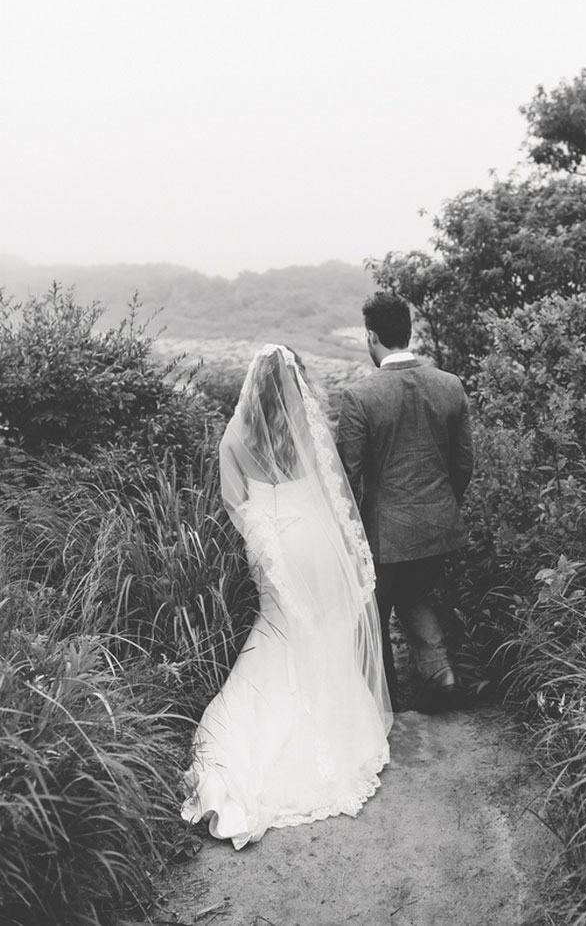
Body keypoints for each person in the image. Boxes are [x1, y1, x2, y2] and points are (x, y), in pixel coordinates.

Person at [181, 344, 392, 849]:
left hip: (274, 542)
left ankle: (261, 746)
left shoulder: (235, 434)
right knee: (323, 626)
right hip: (318, 541)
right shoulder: (307, 428)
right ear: (296, 382)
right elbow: (332, 490)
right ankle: (337, 726)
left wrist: (266, 546)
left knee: (279, 628)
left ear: (253, 384)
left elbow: (236, 506)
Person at [336, 293, 474, 712]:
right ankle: (441, 676)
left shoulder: (359, 396)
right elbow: (464, 462)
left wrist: (352, 531)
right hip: (438, 525)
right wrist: (442, 505)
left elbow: (347, 475)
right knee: (416, 596)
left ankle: (387, 705)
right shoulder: (450, 385)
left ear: (371, 336)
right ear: (408, 332)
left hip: (384, 533)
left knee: (374, 615)